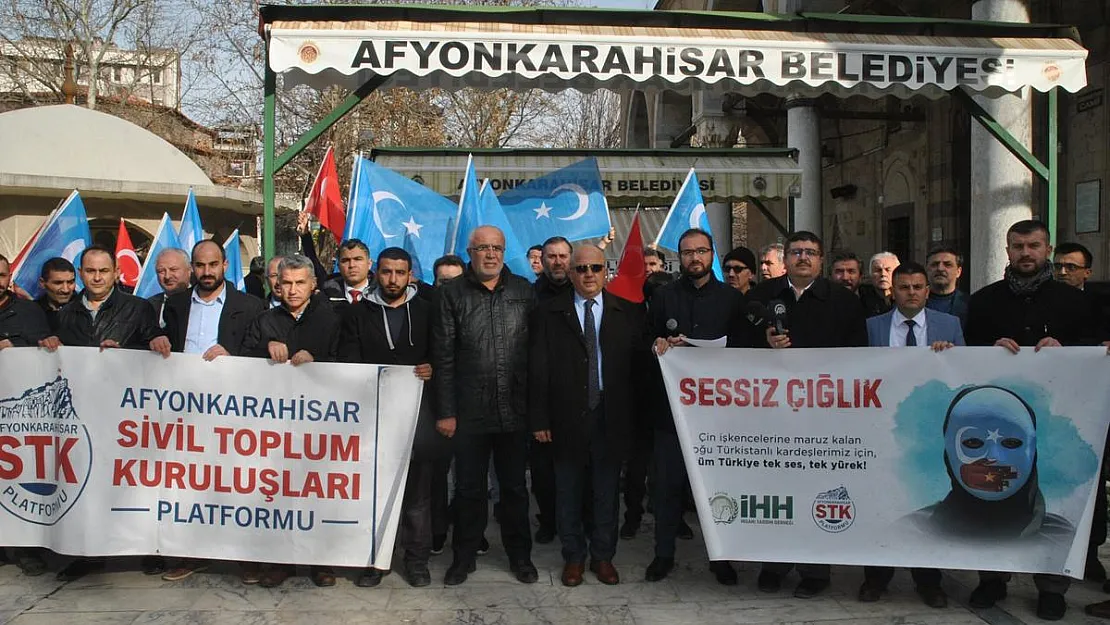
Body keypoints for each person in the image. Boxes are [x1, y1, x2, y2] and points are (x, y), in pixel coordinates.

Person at [965, 219, 1098, 621]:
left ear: (1048, 249)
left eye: (1034, 246)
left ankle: (1052, 586)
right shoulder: (985, 300)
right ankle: (992, 579)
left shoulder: (1075, 301)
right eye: (1018, 246)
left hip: (1058, 421)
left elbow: (1095, 353)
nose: (1026, 253)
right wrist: (989, 350)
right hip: (999, 423)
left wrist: (1067, 349)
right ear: (1007, 251)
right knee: (993, 493)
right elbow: (965, 355)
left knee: (1053, 497)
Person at [748, 231, 867, 598]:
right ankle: (774, 564)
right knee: (775, 491)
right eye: (796, 252)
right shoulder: (761, 297)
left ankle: (815, 570)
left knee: (818, 492)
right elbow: (737, 347)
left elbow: (858, 355)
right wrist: (764, 343)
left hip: (822, 416)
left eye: (810, 253)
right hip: (773, 414)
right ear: (785, 258)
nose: (803, 258)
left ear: (821, 261)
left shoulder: (843, 301)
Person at [38, 245, 159, 581]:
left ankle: (144, 550)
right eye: (90, 271)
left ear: (116, 273)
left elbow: (157, 350)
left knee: (133, 484)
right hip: (83, 415)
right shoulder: (64, 313)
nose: (97, 278)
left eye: (104, 271)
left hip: (128, 416)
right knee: (88, 485)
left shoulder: (138, 308)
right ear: (81, 273)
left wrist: (126, 352)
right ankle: (87, 554)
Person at [148, 240, 265, 583]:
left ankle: (247, 558)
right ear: (193, 268)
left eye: (213, 265)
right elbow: (160, 339)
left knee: (237, 483)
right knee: (190, 485)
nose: (206, 272)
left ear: (226, 265)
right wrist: (156, 339)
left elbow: (259, 350)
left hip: (234, 411)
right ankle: (190, 554)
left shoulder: (251, 305)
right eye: (200, 265)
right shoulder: (176, 304)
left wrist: (235, 356)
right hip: (185, 411)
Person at [530, 245, 643, 587]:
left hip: (611, 419)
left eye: (595, 267)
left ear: (605, 270)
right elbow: (538, 370)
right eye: (581, 269)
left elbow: (638, 372)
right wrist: (539, 420)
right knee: (568, 493)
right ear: (572, 273)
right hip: (566, 419)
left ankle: (603, 556)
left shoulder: (629, 313)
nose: (589, 274)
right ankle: (574, 557)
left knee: (606, 494)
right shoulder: (548, 313)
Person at [432, 225, 538, 586]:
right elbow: (443, 357)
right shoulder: (452, 295)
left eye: (496, 248)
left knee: (514, 490)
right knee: (468, 490)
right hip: (468, 412)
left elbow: (538, 355)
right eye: (483, 248)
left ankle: (520, 557)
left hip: (515, 409)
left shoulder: (525, 291)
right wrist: (446, 411)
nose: (490, 254)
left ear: (504, 251)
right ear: (470, 251)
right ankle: (463, 557)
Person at [860, 262, 964, 608]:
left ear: (927, 290)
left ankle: (928, 580)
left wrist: (951, 358)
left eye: (918, 287)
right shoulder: (872, 327)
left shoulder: (949, 325)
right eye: (904, 287)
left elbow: (966, 371)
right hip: (881, 425)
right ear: (893, 290)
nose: (912, 293)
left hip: (929, 427)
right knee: (881, 503)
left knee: (926, 502)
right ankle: (876, 577)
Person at [647, 228, 746, 585]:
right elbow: (646, 338)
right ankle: (663, 554)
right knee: (667, 486)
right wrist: (657, 342)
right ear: (679, 257)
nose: (694, 258)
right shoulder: (663, 297)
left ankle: (721, 557)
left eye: (701, 251)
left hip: (719, 415)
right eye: (688, 252)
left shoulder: (731, 299)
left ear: (711, 254)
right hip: (671, 412)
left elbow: (746, 351)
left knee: (716, 487)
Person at [342, 248, 443, 587]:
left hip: (419, 416)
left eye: (400, 272)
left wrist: (434, 369)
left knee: (417, 495)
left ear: (410, 274)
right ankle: (375, 561)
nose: (393, 279)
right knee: (374, 493)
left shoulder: (428, 311)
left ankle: (416, 561)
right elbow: (349, 359)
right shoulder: (358, 313)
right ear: (376, 272)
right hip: (374, 418)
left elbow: (443, 355)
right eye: (386, 272)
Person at [238, 254, 340, 588]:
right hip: (274, 428)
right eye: (287, 283)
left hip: (321, 424)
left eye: (300, 283)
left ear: (313, 284)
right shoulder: (264, 320)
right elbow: (241, 357)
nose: (293, 290)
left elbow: (351, 362)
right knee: (277, 494)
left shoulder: (332, 319)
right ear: (276, 286)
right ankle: (280, 562)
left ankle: (320, 562)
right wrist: (266, 346)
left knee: (317, 493)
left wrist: (318, 359)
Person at [1052, 241, 1109, 581]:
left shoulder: (1099, 304)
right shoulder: (1044, 300)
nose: (1063, 272)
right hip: (1053, 403)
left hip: (1090, 405)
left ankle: (1090, 551)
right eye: (1058, 266)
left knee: (1092, 478)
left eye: (1070, 267)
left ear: (1087, 271)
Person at [0, 253, 51, 575]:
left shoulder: (30, 311)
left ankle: (25, 548)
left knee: (20, 479)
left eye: (1, 275)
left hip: (19, 417)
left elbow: (44, 354)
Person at [620, 271, 676, 541]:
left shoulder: (676, 321)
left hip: (672, 408)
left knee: (668, 471)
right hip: (639, 406)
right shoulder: (633, 320)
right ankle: (632, 516)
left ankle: (673, 519)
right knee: (636, 468)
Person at [529, 235, 575, 544]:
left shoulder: (584, 292)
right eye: (551, 257)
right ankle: (548, 520)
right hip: (541, 393)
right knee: (543, 472)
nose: (557, 262)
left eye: (562, 256)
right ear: (541, 260)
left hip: (576, 394)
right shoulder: (529, 296)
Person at [924, 245, 969, 329]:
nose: (940, 269)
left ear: (958, 272)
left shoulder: (971, 305)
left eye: (947, 265)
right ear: (926, 269)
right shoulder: (912, 302)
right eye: (934, 264)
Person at [323, 239, 373, 312]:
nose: (352, 265)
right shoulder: (325, 296)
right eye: (345, 260)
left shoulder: (381, 294)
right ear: (338, 266)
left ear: (369, 264)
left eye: (357, 259)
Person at [149, 247, 191, 327]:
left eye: (173, 270)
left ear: (189, 270)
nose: (167, 276)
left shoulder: (202, 300)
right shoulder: (149, 305)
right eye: (161, 271)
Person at [35, 257, 76, 332]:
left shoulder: (86, 309)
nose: (65, 290)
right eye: (58, 283)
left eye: (70, 282)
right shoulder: (32, 311)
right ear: (42, 283)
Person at [858, 252, 898, 317]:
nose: (883, 274)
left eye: (888, 270)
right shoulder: (861, 300)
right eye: (878, 270)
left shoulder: (906, 298)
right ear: (870, 274)